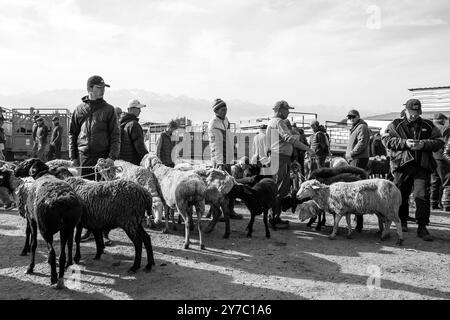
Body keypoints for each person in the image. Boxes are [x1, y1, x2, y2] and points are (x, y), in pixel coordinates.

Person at [382, 99, 443, 241]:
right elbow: (386, 140)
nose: (414, 116)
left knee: (421, 196)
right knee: (400, 194)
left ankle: (422, 226)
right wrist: (405, 143)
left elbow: (439, 142)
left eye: (416, 113)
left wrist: (423, 144)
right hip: (402, 166)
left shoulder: (428, 125)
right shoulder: (396, 124)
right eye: (411, 113)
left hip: (422, 166)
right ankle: (401, 221)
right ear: (406, 111)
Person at [69, 75, 120, 245]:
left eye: (104, 87)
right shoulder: (79, 110)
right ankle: (87, 228)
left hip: (103, 158)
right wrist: (73, 158)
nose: (103, 90)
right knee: (84, 195)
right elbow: (72, 135)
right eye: (99, 87)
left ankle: (104, 232)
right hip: (84, 157)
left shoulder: (109, 110)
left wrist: (111, 157)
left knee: (104, 195)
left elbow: (115, 136)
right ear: (89, 89)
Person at [265, 100, 314, 228]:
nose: (288, 112)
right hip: (280, 158)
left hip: (276, 157)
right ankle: (274, 219)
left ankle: (274, 216)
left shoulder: (271, 122)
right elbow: (288, 138)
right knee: (280, 189)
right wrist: (307, 148)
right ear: (281, 110)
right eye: (287, 109)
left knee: (276, 187)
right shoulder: (279, 122)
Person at [207, 98, 242, 220]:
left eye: (226, 109)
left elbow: (229, 138)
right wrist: (220, 162)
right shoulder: (213, 123)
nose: (225, 111)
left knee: (230, 184)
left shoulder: (226, 120)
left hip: (227, 157)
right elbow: (215, 145)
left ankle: (230, 211)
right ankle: (216, 213)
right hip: (219, 159)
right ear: (216, 110)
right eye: (222, 109)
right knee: (218, 187)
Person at [119, 99, 149, 165]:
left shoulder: (122, 124)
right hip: (133, 164)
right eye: (138, 108)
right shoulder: (134, 124)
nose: (140, 111)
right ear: (131, 109)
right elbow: (139, 146)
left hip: (122, 163)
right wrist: (148, 158)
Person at [430, 113, 450, 211]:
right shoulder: (445, 129)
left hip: (432, 157)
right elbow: (447, 144)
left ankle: (433, 203)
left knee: (434, 181)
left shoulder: (430, 128)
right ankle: (447, 204)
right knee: (447, 181)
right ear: (441, 120)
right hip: (443, 158)